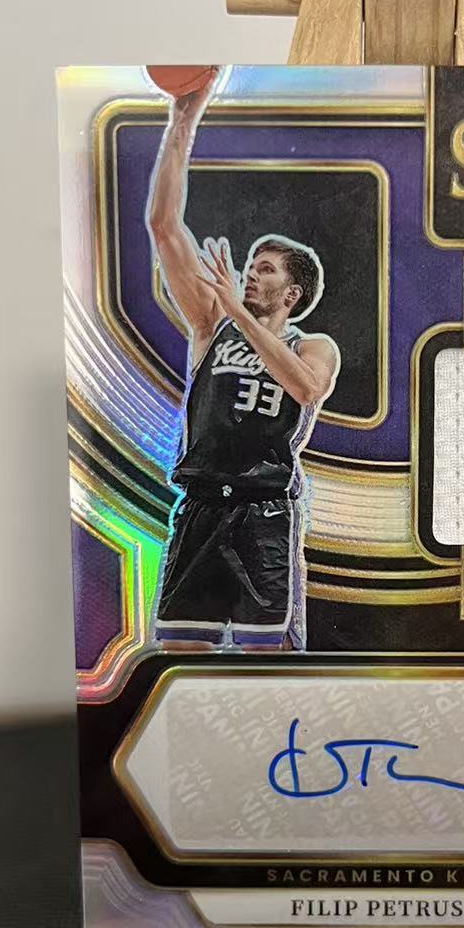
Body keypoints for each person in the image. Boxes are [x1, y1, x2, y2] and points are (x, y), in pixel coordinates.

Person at [145, 75, 339, 648]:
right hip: (201, 508)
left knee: (266, 661)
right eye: (250, 265)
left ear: (292, 293)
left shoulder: (314, 345)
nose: (252, 273)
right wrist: (183, 120)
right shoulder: (212, 322)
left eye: (266, 269)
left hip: (265, 516)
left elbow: (306, 389)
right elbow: (164, 226)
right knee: (180, 658)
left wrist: (239, 312)